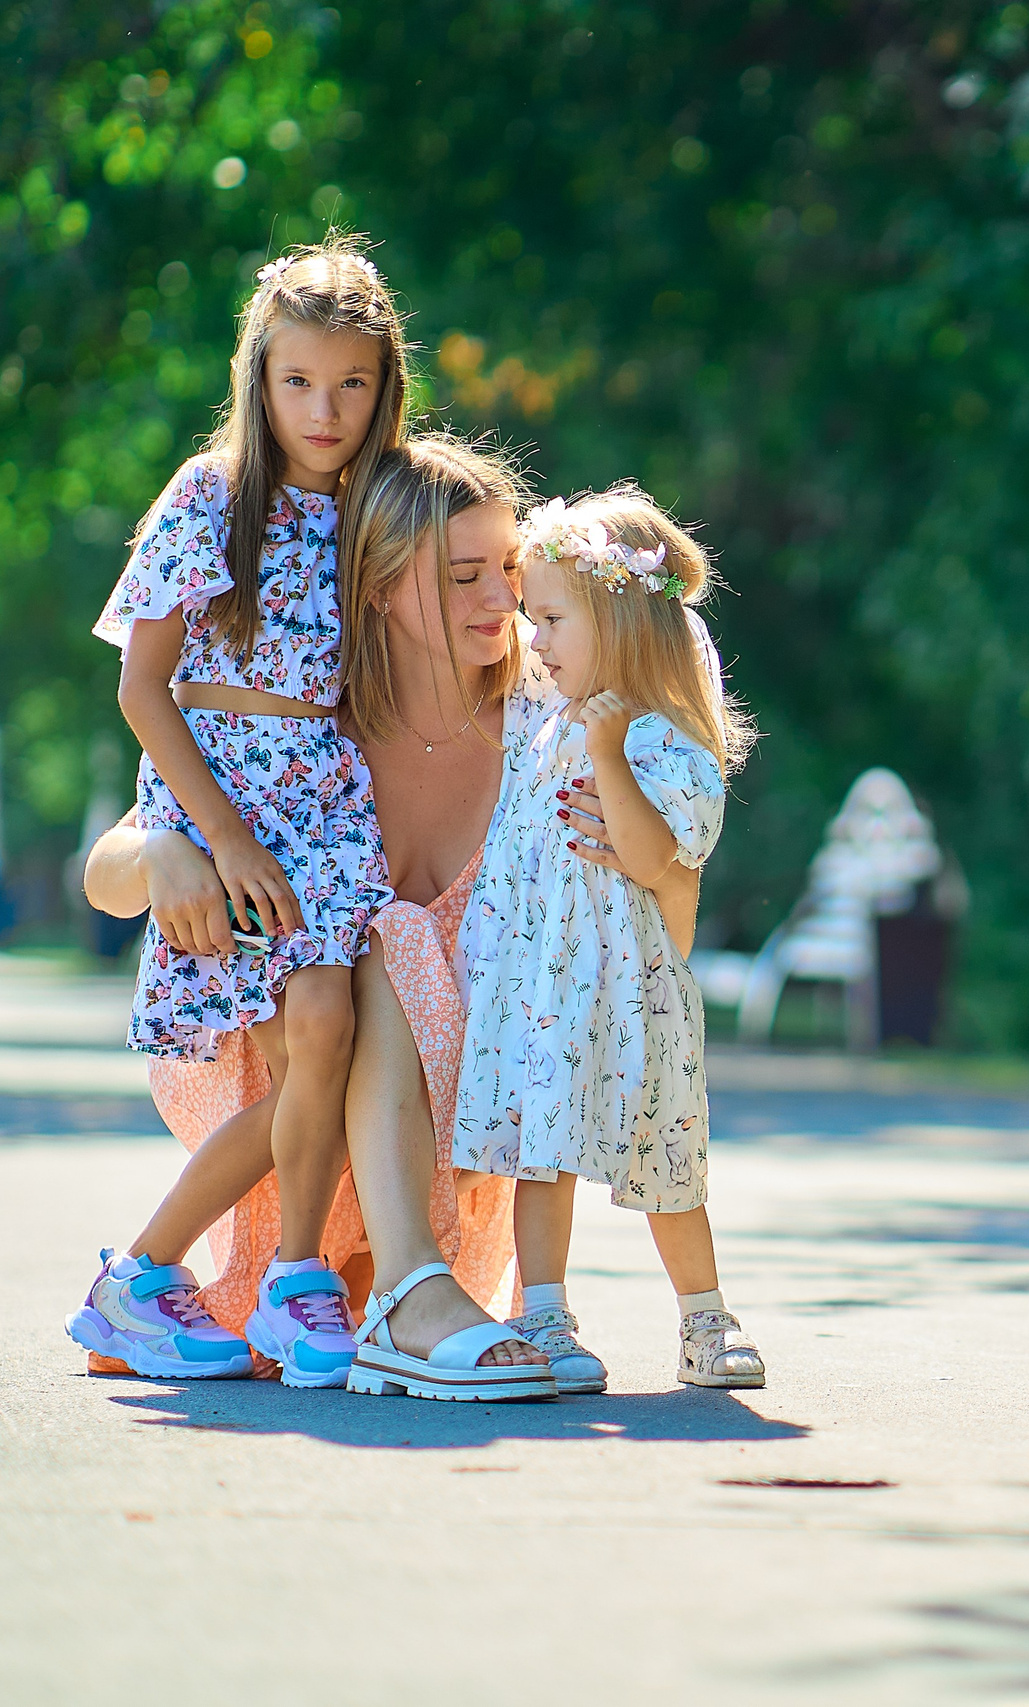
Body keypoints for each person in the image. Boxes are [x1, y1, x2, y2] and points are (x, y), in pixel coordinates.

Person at [85, 439, 693, 1397]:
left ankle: (408, 1284)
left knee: (393, 941)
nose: (500, 603)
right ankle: (393, 1288)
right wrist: (167, 851)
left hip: (465, 1127)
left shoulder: (550, 730)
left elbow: (669, 894)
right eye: (463, 577)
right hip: (297, 1092)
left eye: (509, 573)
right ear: (374, 588)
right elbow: (106, 875)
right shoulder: (309, 740)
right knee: (383, 933)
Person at [66, 237, 407, 1391]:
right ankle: (149, 1275)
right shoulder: (212, 495)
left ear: (384, 387)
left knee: (326, 1033)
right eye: (299, 381)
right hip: (220, 792)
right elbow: (139, 687)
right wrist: (219, 838)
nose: (326, 407)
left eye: (351, 383)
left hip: (324, 796)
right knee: (299, 1048)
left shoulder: (378, 506)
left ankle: (292, 1282)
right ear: (259, 381)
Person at [454, 484, 768, 1391]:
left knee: (668, 1163)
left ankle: (705, 1319)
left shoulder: (666, 741)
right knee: (539, 1161)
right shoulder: (535, 723)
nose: (535, 638)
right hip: (544, 988)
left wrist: (609, 750)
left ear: (623, 622)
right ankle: (543, 1313)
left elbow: (650, 857)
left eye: (552, 618)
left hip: (632, 995)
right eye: (532, 617)